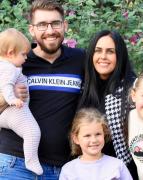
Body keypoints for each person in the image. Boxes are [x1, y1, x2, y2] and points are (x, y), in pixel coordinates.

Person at [78, 29, 143, 179]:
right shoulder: (85, 88)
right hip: (92, 170)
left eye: (110, 51)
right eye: (98, 51)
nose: (103, 57)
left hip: (126, 172)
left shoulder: (133, 89)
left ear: (120, 56)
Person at [0, 0, 85, 179]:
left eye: (55, 23)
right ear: (31, 29)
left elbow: (115, 75)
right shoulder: (17, 61)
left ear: (65, 25)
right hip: (16, 164)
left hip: (62, 168)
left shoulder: (80, 59)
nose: (50, 30)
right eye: (42, 24)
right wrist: (6, 97)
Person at [0, 28, 43, 175]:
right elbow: (6, 86)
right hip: (14, 110)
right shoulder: (10, 69)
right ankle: (31, 161)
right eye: (23, 54)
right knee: (32, 132)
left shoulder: (4, 66)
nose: (26, 58)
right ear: (11, 52)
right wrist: (12, 99)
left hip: (7, 113)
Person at [59, 108, 133, 180]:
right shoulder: (68, 170)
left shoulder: (117, 165)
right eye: (87, 135)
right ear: (76, 139)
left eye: (98, 134)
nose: (94, 140)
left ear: (104, 134)